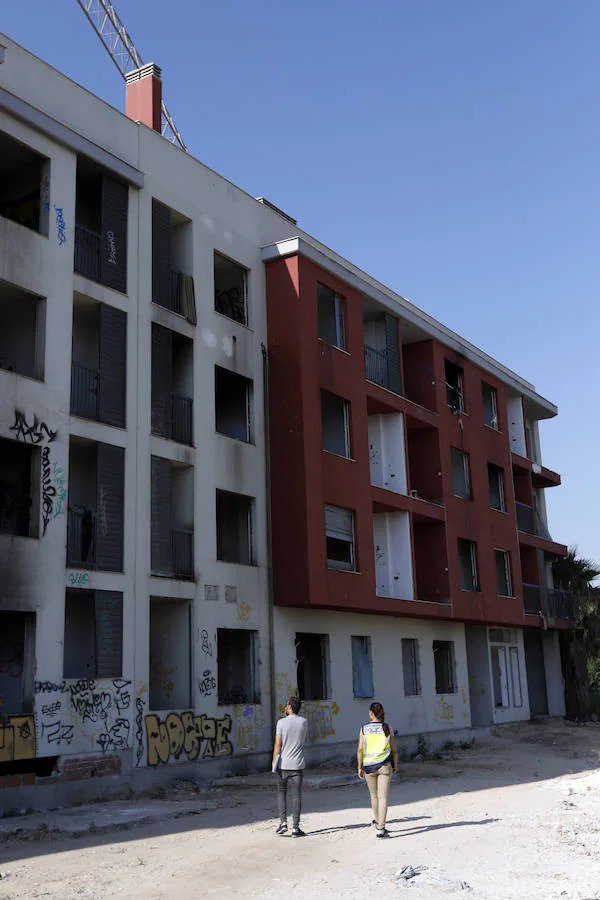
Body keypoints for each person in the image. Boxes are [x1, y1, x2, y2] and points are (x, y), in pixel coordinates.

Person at [357, 701, 398, 838]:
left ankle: (377, 822)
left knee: (374, 796)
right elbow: (394, 750)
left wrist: (359, 767)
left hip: (368, 766)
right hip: (385, 766)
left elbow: (360, 749)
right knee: (383, 797)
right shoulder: (387, 727)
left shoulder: (364, 729)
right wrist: (395, 764)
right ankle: (381, 827)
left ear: (371, 713)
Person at [272, 696, 308, 837]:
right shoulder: (304, 722)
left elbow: (277, 745)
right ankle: (295, 828)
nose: (285, 707)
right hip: (298, 764)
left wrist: (274, 761)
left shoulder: (281, 723)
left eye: (287, 705)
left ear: (290, 707)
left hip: (283, 764)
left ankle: (283, 822)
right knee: (296, 795)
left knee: (281, 792)